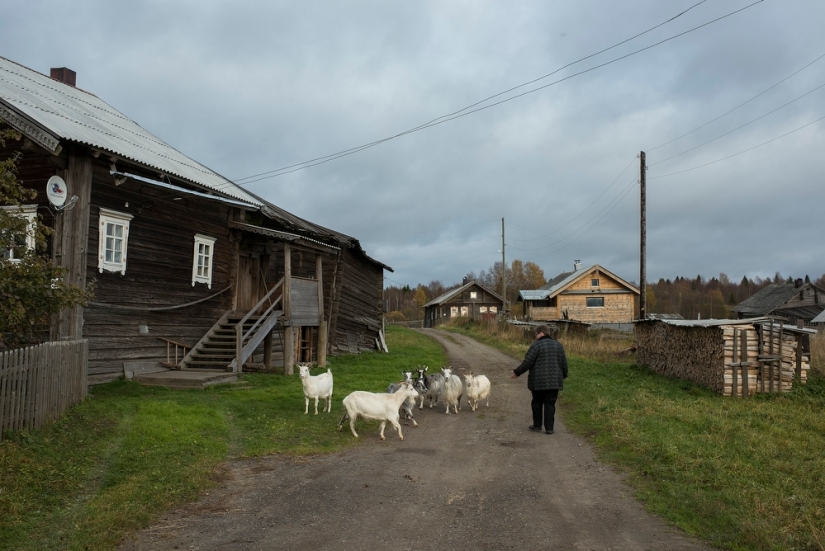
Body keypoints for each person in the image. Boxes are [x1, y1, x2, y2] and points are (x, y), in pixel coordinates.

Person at [510, 325, 568, 434]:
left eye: (536, 334)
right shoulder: (558, 346)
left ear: (541, 333)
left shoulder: (536, 346)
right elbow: (564, 362)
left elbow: (528, 362)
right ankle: (549, 428)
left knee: (537, 402)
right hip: (554, 382)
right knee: (550, 404)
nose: (535, 336)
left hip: (538, 381)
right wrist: (564, 374)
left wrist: (517, 372)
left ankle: (537, 425)